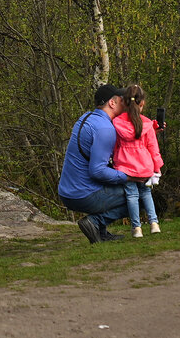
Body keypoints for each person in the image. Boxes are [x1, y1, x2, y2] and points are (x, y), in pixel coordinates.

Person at [58, 84, 131, 243]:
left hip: (67, 191)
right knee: (137, 195)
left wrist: (150, 131)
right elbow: (97, 171)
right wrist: (128, 177)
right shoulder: (105, 128)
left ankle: (100, 233)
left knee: (109, 182)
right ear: (112, 103)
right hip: (82, 195)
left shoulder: (86, 118)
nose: (125, 104)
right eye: (121, 100)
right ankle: (94, 222)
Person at [112, 84, 164, 237]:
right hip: (144, 166)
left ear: (125, 102)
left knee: (131, 196)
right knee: (146, 194)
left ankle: (137, 228)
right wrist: (157, 167)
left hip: (125, 166)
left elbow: (114, 146)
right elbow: (153, 148)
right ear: (142, 103)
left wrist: (114, 162)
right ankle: (154, 223)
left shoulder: (117, 123)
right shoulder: (147, 124)